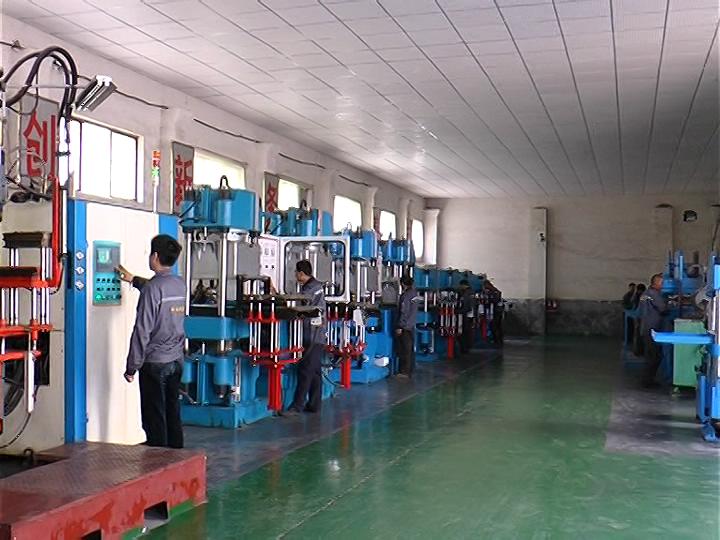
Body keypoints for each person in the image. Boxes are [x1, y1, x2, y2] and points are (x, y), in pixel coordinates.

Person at [117, 235, 186, 448]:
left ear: (155, 256)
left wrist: (132, 367)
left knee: (154, 421)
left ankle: (159, 463)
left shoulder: (152, 290)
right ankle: (178, 460)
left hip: (155, 364)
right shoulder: (180, 284)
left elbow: (142, 331)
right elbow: (158, 290)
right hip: (176, 361)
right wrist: (133, 279)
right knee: (172, 416)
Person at [287, 260, 326, 415]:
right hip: (317, 335)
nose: (295, 275)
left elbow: (301, 305)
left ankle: (297, 406)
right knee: (315, 372)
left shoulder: (310, 289)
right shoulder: (315, 286)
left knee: (305, 371)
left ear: (301, 273)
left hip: (312, 335)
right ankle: (314, 404)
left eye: (296, 273)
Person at [637, 273, 668, 388]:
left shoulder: (646, 293)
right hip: (652, 328)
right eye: (662, 283)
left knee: (650, 355)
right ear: (656, 283)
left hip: (645, 327)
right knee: (654, 356)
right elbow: (663, 309)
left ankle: (647, 379)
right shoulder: (654, 294)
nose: (663, 285)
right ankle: (647, 381)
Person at [396, 275, 418, 378]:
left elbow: (404, 312)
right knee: (409, 349)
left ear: (402, 284)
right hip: (411, 325)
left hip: (405, 326)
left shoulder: (406, 296)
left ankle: (404, 372)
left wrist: (400, 326)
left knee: (404, 350)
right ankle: (410, 369)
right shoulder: (414, 294)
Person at [484, 280, 504, 346]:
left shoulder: (494, 292)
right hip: (497, 311)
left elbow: (495, 300)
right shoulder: (495, 291)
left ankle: (497, 340)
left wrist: (488, 298)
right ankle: (498, 340)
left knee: (495, 326)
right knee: (497, 326)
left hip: (496, 311)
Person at [459, 279, 476, 354]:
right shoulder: (472, 292)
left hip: (467, 316)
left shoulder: (467, 293)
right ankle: (467, 347)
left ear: (463, 285)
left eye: (460, 286)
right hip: (471, 315)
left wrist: (457, 311)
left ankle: (464, 349)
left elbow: (467, 307)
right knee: (468, 332)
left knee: (464, 333)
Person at [622, 283, 637, 347]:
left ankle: (630, 340)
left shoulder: (636, 295)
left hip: (633, 313)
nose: (633, 289)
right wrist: (631, 305)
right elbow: (625, 305)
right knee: (627, 328)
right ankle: (627, 341)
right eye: (631, 288)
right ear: (629, 288)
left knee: (632, 328)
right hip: (628, 313)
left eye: (634, 288)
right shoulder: (626, 296)